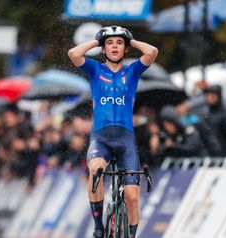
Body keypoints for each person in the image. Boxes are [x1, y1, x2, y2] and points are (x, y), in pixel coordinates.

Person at [68, 26, 158, 238]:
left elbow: (152, 52)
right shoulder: (95, 70)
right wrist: (97, 41)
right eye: (110, 43)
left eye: (119, 43)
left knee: (132, 198)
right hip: (101, 139)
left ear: (125, 49)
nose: (115, 46)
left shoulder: (132, 71)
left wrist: (131, 40)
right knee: (96, 169)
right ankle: (99, 226)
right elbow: (74, 54)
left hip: (126, 139)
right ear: (103, 49)